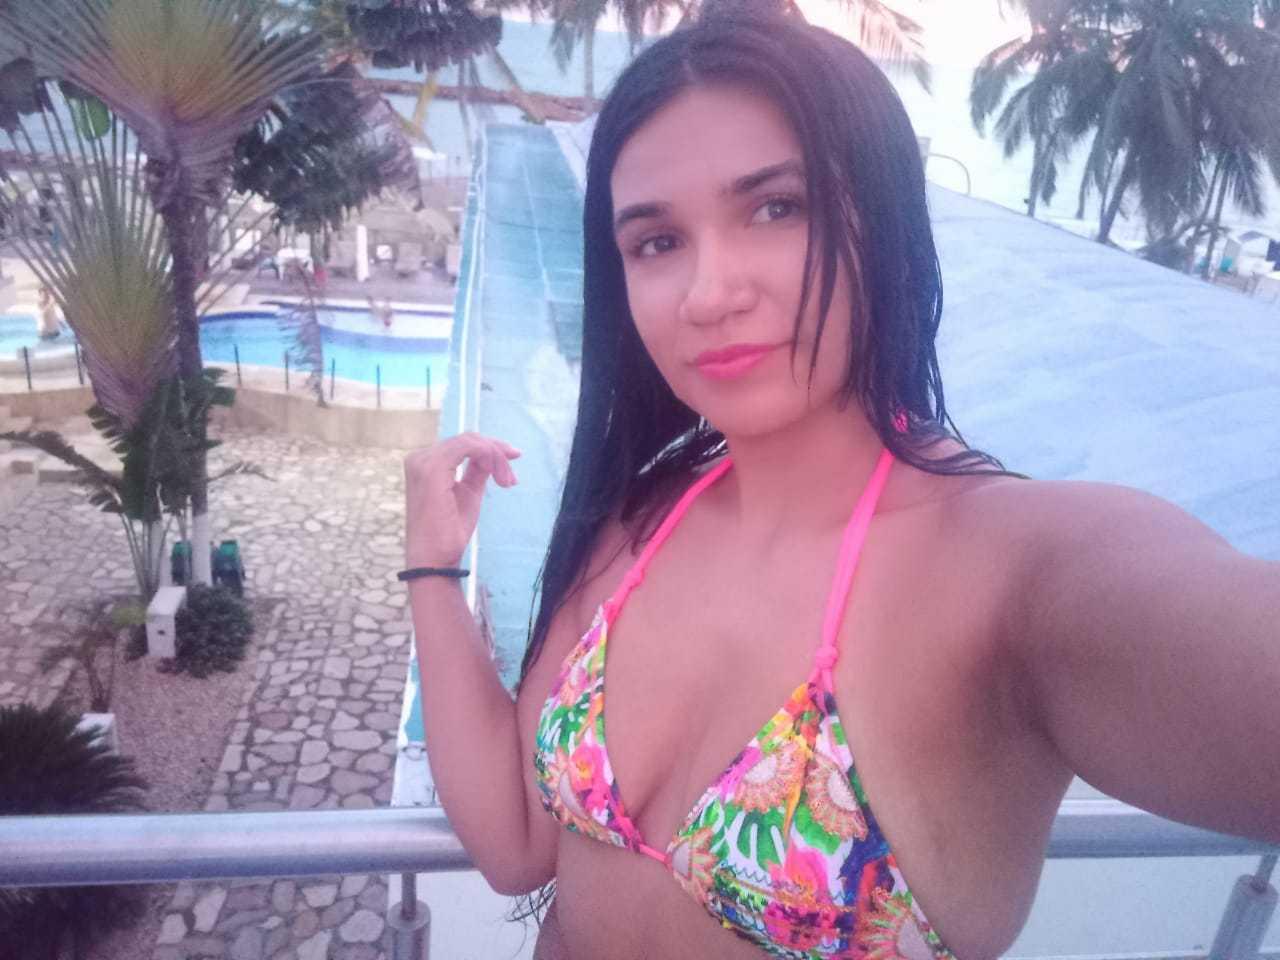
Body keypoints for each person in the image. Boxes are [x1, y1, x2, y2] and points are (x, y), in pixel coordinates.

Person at [401, 9, 1280, 960]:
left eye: (777, 208)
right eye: (656, 242)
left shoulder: (1007, 574)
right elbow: (516, 845)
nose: (708, 293)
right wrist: (434, 571)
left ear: (883, 221)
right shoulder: (639, 523)